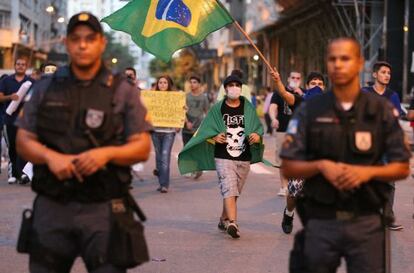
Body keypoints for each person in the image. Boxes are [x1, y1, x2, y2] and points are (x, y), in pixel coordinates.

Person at [15, 12, 152, 272]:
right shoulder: (45, 88)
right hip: (53, 207)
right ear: (67, 43)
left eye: (90, 38)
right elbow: (23, 140)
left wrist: (106, 154)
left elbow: (142, 146)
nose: (83, 45)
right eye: (76, 39)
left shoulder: (123, 90)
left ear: (101, 43)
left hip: (103, 208)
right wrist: (49, 157)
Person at [280, 37, 410, 273]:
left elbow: (402, 166)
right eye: (333, 59)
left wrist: (366, 171)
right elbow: (288, 165)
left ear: (360, 64)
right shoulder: (311, 109)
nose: (339, 65)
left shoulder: (380, 108)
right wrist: (320, 166)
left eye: (346, 59)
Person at [178, 74, 263, 239]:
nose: (234, 88)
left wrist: (257, 135)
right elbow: (205, 129)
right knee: (228, 186)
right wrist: (214, 137)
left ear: (241, 88)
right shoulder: (218, 108)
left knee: (234, 191)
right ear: (225, 89)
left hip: (244, 155)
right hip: (223, 154)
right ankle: (233, 222)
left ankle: (223, 218)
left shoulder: (248, 107)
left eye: (237, 85)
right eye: (230, 85)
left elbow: (257, 127)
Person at [271, 71, 326, 234]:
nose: (317, 86)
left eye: (320, 84)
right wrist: (279, 81)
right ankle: (289, 213)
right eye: (313, 84)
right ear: (307, 86)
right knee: (294, 192)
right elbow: (284, 94)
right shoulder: (301, 101)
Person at [362, 61, 404, 231]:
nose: (387, 75)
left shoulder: (393, 95)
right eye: (383, 72)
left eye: (389, 73)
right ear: (375, 75)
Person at [268, 71, 303, 196]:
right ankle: (283, 186)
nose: (295, 79)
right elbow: (272, 107)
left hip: (299, 132)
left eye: (298, 78)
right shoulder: (278, 92)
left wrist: (301, 93)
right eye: (293, 77)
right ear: (288, 78)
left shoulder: (303, 93)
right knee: (282, 159)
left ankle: (296, 185)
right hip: (283, 129)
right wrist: (273, 119)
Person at [0, 57, 34, 184]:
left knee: (25, 147)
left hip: (25, 121)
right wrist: (11, 97)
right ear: (15, 66)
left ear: (26, 66)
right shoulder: (6, 81)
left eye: (23, 64)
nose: (20, 66)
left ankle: (23, 174)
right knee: (12, 146)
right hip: (9, 119)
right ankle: (13, 173)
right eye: (18, 64)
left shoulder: (30, 82)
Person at [151, 75, 177, 193]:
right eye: (160, 82)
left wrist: (182, 111)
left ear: (169, 85)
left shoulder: (175, 98)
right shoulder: (152, 97)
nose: (162, 85)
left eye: (165, 82)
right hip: (155, 132)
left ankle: (164, 184)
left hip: (169, 132)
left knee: (165, 158)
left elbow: (178, 111)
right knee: (158, 157)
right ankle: (161, 178)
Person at [182, 75, 209, 179]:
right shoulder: (186, 96)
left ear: (199, 84)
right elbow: (182, 111)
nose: (192, 84)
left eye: (194, 82)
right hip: (186, 126)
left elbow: (207, 112)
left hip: (199, 127)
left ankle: (197, 168)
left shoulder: (204, 97)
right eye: (191, 82)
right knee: (187, 148)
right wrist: (187, 122)